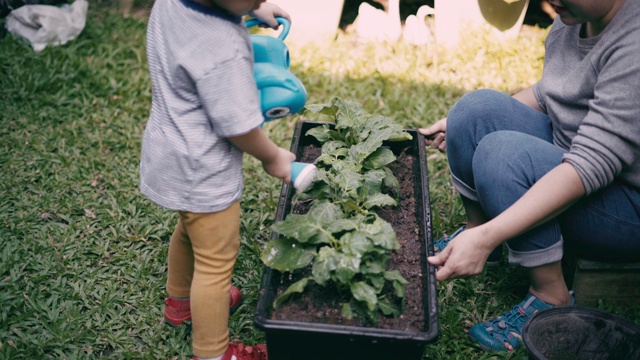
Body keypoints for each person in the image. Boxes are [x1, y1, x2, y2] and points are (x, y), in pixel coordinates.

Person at [419, 0, 640, 352]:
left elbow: (591, 163)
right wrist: (467, 126)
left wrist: (494, 234)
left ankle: (550, 294)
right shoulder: (576, 15)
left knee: (502, 155)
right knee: (474, 109)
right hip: (575, 154)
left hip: (626, 204)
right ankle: (475, 230)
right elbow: (548, 93)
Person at [139, 0, 295, 359]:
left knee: (190, 228)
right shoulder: (224, 47)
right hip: (204, 171)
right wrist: (273, 158)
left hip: (171, 151)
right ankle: (214, 353)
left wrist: (249, 9)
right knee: (215, 264)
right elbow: (238, 126)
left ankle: (180, 303)